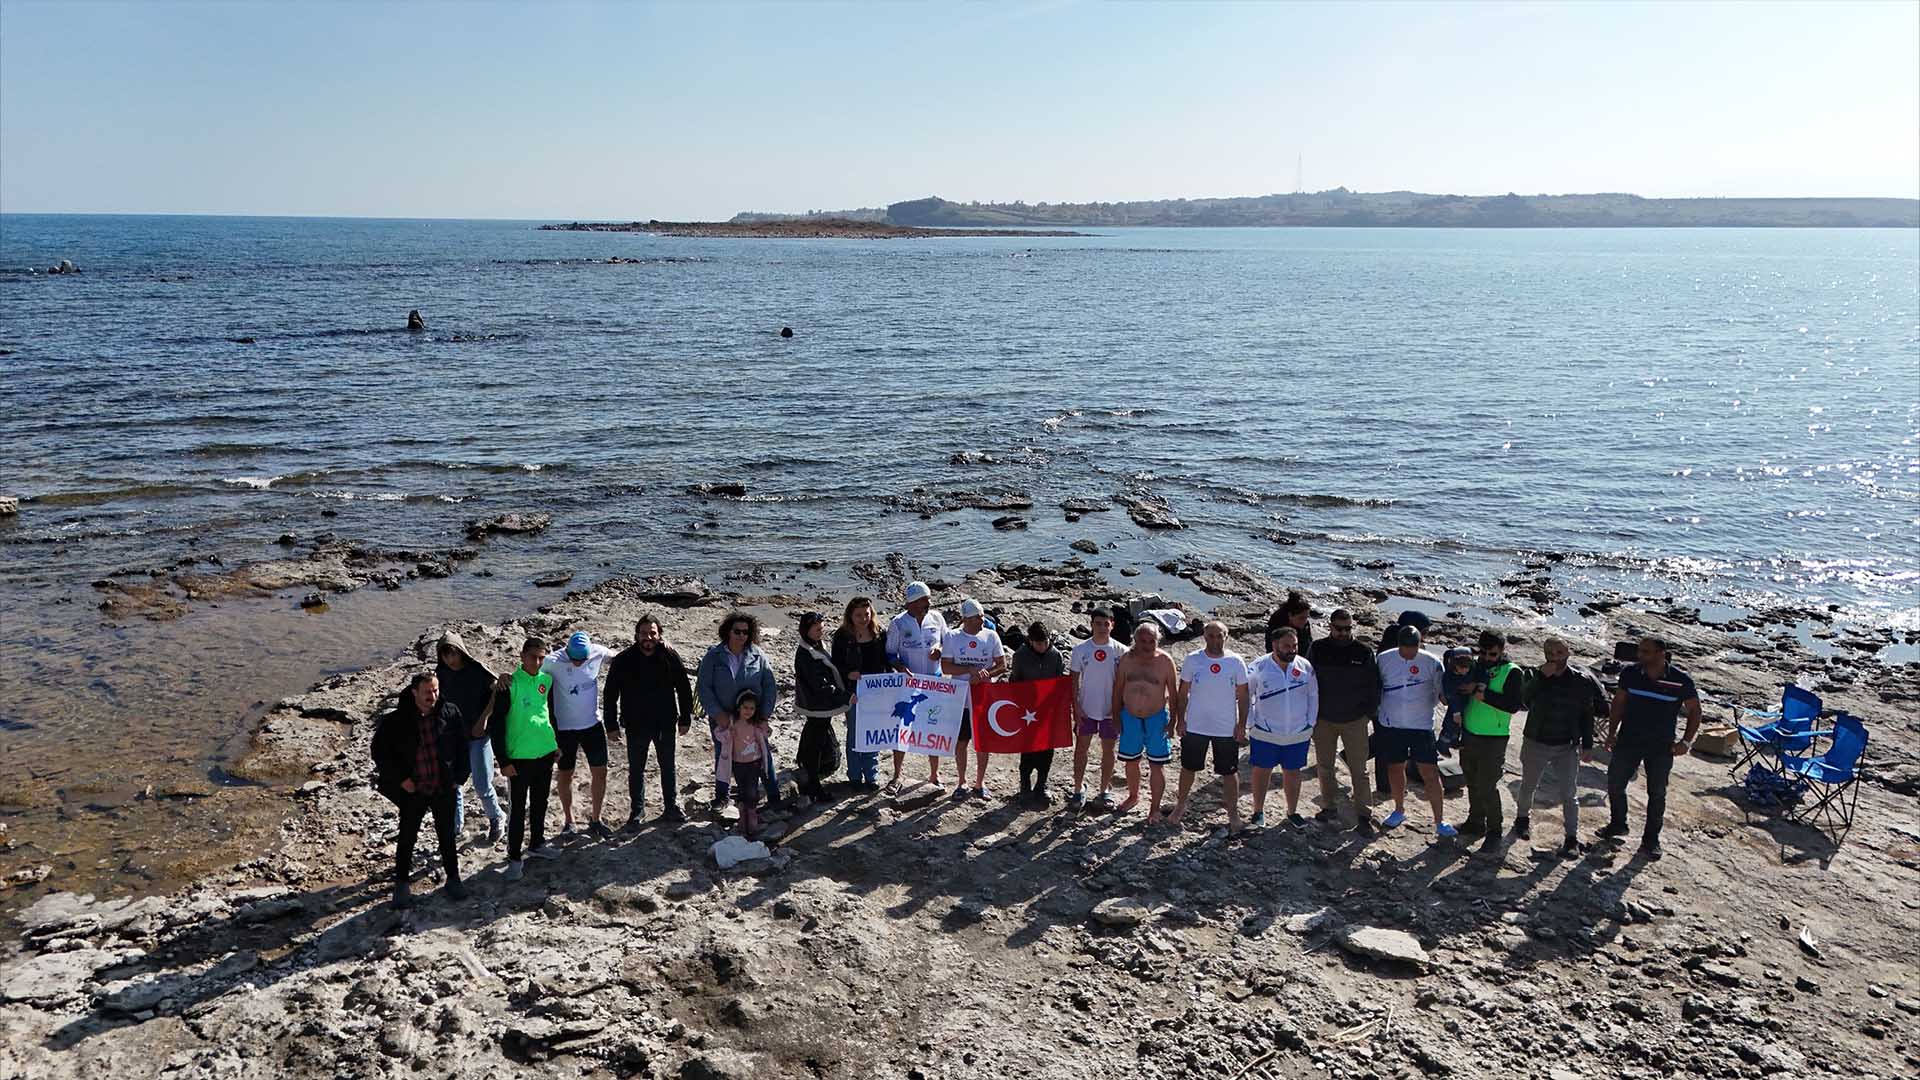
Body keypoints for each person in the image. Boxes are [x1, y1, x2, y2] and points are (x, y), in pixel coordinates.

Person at [372, 672, 471, 907]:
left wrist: (460, 778)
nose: (433, 696)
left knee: (446, 835)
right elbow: (380, 753)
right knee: (407, 836)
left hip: (443, 786)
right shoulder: (397, 720)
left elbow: (463, 746)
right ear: (415, 692)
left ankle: (453, 878)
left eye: (436, 691)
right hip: (413, 789)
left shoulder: (450, 712)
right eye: (427, 692)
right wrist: (401, 779)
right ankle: (402, 884)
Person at [1601, 636, 1702, 860]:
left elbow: (1695, 710)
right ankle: (1618, 824)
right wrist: (1611, 734)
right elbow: (1618, 703)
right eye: (1640, 651)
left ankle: (1650, 839)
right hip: (1628, 740)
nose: (1640, 656)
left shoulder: (1680, 680)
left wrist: (1686, 742)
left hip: (1661, 745)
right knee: (1615, 783)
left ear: (1661, 654)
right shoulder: (1630, 674)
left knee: (1657, 793)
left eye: (1646, 652)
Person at [603, 614, 694, 829]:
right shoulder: (624, 659)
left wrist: (685, 717)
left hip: (665, 722)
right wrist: (611, 724)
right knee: (636, 768)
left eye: (652, 633)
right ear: (636, 635)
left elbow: (683, 687)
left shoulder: (670, 656)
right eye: (644, 633)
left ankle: (671, 806)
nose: (648, 637)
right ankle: (637, 811)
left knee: (668, 766)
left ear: (659, 635)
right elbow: (610, 694)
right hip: (635, 724)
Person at [1517, 636, 1605, 857]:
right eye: (1550, 653)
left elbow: (1587, 714)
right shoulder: (1535, 675)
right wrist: (1540, 678)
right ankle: (1522, 819)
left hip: (1566, 746)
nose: (1555, 657)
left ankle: (1571, 837)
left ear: (1568, 653)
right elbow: (1523, 700)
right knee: (1529, 784)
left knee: (1569, 793)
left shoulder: (1581, 680)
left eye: (1559, 653)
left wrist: (1587, 745)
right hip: (1536, 741)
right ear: (1545, 654)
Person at [490, 638, 564, 881]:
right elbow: (496, 725)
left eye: (542, 657)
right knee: (517, 810)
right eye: (533, 656)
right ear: (522, 656)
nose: (537, 662)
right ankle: (513, 857)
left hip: (544, 753)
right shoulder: (509, 684)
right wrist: (503, 760)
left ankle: (537, 843)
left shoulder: (546, 681)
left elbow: (549, 714)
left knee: (541, 802)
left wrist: (556, 745)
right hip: (519, 759)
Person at [1374, 625, 1457, 838]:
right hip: (1392, 724)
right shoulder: (1384, 659)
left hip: (1421, 726)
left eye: (1414, 647)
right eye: (1405, 647)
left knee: (1429, 772)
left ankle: (1439, 821)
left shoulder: (1431, 662)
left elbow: (1443, 694)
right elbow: (1374, 687)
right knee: (1395, 768)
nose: (1409, 651)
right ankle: (1399, 809)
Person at [1171, 621, 1251, 833]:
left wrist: (1242, 725)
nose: (1215, 640)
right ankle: (1180, 806)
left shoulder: (1235, 661)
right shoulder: (1193, 659)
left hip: (1225, 728)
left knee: (1229, 771)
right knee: (1188, 768)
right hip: (1196, 725)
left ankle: (1233, 813)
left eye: (1220, 636)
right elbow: (1182, 693)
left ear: (1227, 636)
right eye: (1211, 636)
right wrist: (1181, 720)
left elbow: (1243, 695)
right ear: (1204, 637)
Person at [696, 611, 780, 811]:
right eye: (737, 631)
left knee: (762, 754)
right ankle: (722, 797)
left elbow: (770, 686)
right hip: (723, 718)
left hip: (752, 718)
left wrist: (764, 715)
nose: (742, 636)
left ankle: (774, 795)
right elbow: (704, 687)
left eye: (745, 632)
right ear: (728, 632)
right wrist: (717, 714)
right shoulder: (713, 656)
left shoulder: (758, 655)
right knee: (723, 756)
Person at [1308, 609, 1379, 834]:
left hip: (1355, 721)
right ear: (1330, 627)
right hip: (1324, 720)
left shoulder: (1364, 651)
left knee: (1359, 770)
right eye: (1339, 629)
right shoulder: (1317, 649)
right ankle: (1328, 807)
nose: (1343, 633)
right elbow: (1306, 681)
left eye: (1348, 629)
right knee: (1325, 767)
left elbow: (1374, 685)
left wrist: (1368, 714)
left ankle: (1364, 814)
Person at [1458, 630, 1527, 855]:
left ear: (1502, 651)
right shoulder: (1475, 666)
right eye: (1484, 653)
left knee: (1487, 785)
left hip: (1494, 738)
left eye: (1493, 654)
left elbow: (1513, 705)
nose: (1488, 657)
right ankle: (1475, 821)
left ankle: (1494, 831)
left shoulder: (1512, 672)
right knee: (1471, 780)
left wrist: (1484, 696)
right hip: (1469, 733)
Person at [543, 631, 616, 839]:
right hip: (565, 730)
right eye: (574, 660)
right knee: (565, 774)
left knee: (600, 772)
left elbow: (619, 658)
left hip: (592, 725)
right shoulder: (553, 661)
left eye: (581, 660)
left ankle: (596, 818)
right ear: (567, 652)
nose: (577, 664)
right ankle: (569, 820)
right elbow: (530, 670)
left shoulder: (597, 652)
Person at [434, 631, 502, 846]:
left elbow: (497, 691)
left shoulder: (477, 670)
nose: (450, 659)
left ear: (461, 651)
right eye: (445, 655)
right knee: (454, 784)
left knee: (482, 784)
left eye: (452, 654)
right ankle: (456, 828)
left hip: (479, 737)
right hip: (454, 738)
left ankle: (496, 817)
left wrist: (484, 719)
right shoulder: (441, 673)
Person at [1247, 626, 1318, 828]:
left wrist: (1310, 723)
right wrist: (1250, 723)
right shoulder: (1258, 667)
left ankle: (1292, 812)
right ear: (1274, 645)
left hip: (1297, 732)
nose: (1291, 650)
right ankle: (1258, 812)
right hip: (1265, 732)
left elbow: (1314, 695)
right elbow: (1245, 696)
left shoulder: (1305, 666)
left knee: (1293, 771)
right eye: (1286, 646)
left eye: (1294, 645)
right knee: (1262, 770)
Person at [884, 581, 948, 792]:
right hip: (908, 684)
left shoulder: (937, 618)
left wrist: (939, 648)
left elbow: (947, 642)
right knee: (902, 729)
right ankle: (897, 774)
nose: (928, 603)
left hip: (934, 681)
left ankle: (934, 773)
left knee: (933, 727)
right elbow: (891, 654)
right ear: (911, 602)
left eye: (928, 599)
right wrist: (901, 667)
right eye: (923, 600)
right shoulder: (898, 623)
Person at [941, 598, 1007, 799]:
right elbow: (946, 667)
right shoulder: (953, 637)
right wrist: (969, 670)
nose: (982, 620)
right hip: (960, 698)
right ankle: (962, 782)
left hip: (983, 698)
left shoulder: (991, 636)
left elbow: (1002, 665)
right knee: (961, 741)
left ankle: (980, 782)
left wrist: (986, 673)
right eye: (978, 618)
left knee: (982, 742)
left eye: (982, 616)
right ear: (966, 620)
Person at [1112, 621, 1177, 822]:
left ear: (1157, 641)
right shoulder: (1126, 660)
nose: (1147, 645)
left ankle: (1155, 808)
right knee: (1131, 761)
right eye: (1143, 641)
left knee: (1157, 764)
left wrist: (1173, 721)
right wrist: (1115, 716)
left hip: (1156, 718)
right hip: (1130, 717)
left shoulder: (1165, 661)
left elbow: (1174, 695)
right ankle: (1133, 795)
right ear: (1135, 640)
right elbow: (1118, 689)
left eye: (1151, 641)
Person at [831, 597, 890, 790]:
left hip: (876, 691)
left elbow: (886, 662)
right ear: (850, 615)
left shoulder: (880, 633)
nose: (863, 618)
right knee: (855, 733)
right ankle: (854, 775)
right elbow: (835, 665)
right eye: (858, 615)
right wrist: (848, 674)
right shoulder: (841, 636)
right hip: (854, 691)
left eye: (867, 614)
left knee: (873, 732)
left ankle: (871, 775)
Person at [1068, 607, 1124, 809]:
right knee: (1081, 748)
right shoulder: (1080, 650)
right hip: (1086, 709)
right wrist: (1076, 708)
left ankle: (1104, 789)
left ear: (1112, 624)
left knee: (1108, 750)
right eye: (1097, 623)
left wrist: (1119, 708)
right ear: (1091, 625)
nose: (1102, 627)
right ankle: (1077, 788)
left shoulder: (1121, 650)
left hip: (1110, 711)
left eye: (1105, 623)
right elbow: (1073, 682)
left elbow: (1125, 682)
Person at [793, 611, 850, 803]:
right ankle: (813, 784)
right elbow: (821, 685)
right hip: (817, 704)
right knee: (815, 742)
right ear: (806, 630)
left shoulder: (814, 646)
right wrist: (845, 696)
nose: (820, 632)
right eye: (817, 629)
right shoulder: (806, 654)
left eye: (822, 628)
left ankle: (810, 773)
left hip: (816, 705)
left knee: (813, 736)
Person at [1010, 621, 1067, 806]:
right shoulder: (1020, 656)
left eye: (1045, 643)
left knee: (1047, 750)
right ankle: (1025, 785)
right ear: (1030, 641)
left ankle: (1042, 784)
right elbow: (1014, 682)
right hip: (1027, 711)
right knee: (1027, 750)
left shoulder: (1055, 655)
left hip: (1048, 711)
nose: (1042, 647)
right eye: (1038, 644)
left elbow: (1060, 683)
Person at [729, 689, 771, 838]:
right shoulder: (733, 722)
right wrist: (728, 733)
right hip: (737, 762)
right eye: (745, 707)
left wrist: (765, 727)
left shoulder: (755, 724)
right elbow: (719, 734)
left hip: (754, 761)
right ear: (739, 707)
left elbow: (766, 734)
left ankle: (752, 819)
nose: (748, 711)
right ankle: (743, 819)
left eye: (752, 708)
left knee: (751, 789)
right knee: (741, 789)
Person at [1438, 646, 1475, 756]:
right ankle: (1442, 744)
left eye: (1467, 667)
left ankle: (1454, 741)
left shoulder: (1470, 670)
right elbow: (1451, 695)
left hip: (1464, 701)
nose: (1465, 670)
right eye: (1461, 667)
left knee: (1459, 725)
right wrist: (1456, 712)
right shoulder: (1449, 677)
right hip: (1455, 704)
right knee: (1450, 725)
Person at [1265, 590, 1315, 657]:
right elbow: (1271, 650)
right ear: (1290, 615)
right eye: (1301, 618)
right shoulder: (1276, 625)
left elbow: (1308, 645)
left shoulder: (1305, 624)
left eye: (1307, 617)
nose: (1305, 621)